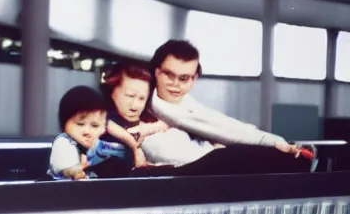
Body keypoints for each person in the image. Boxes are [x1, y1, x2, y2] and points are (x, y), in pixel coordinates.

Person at [126, 40, 313, 176]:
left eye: (184, 78)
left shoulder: (190, 105)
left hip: (201, 171)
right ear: (156, 72)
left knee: (233, 154)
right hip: (178, 174)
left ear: (194, 79)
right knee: (228, 156)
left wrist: (274, 143)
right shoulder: (145, 101)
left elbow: (223, 125)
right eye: (169, 75)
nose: (175, 84)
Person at [48, 85, 138, 180]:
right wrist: (76, 171)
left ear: (104, 128)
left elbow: (122, 152)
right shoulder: (63, 142)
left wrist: (134, 150)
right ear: (64, 125)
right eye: (80, 124)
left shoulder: (98, 146)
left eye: (94, 125)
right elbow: (69, 168)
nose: (87, 131)